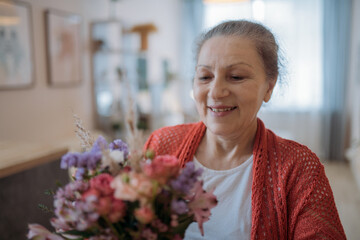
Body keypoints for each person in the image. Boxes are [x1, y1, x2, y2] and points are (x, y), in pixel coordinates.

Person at [143, 20, 346, 240]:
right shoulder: (161, 145)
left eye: (236, 77)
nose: (216, 91)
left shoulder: (299, 168)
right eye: (205, 77)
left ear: (269, 87)